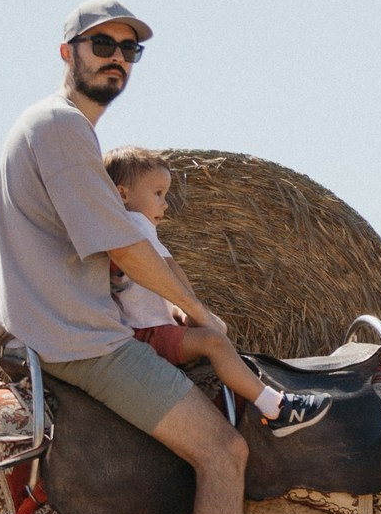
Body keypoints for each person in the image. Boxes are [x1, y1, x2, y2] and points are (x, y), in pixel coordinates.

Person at [0, 0, 343, 514]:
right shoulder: (59, 127)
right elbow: (121, 243)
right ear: (68, 53)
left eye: (128, 49)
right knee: (223, 450)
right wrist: (200, 312)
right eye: (101, 43)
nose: (115, 56)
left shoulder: (50, 132)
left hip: (51, 329)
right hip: (75, 340)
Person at [100, 146, 331, 435]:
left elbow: (146, 292)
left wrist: (177, 313)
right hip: (146, 337)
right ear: (123, 195)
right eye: (158, 193)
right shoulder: (136, 224)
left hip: (144, 333)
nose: (166, 204)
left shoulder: (117, 228)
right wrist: (197, 312)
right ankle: (276, 408)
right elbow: (172, 271)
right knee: (214, 342)